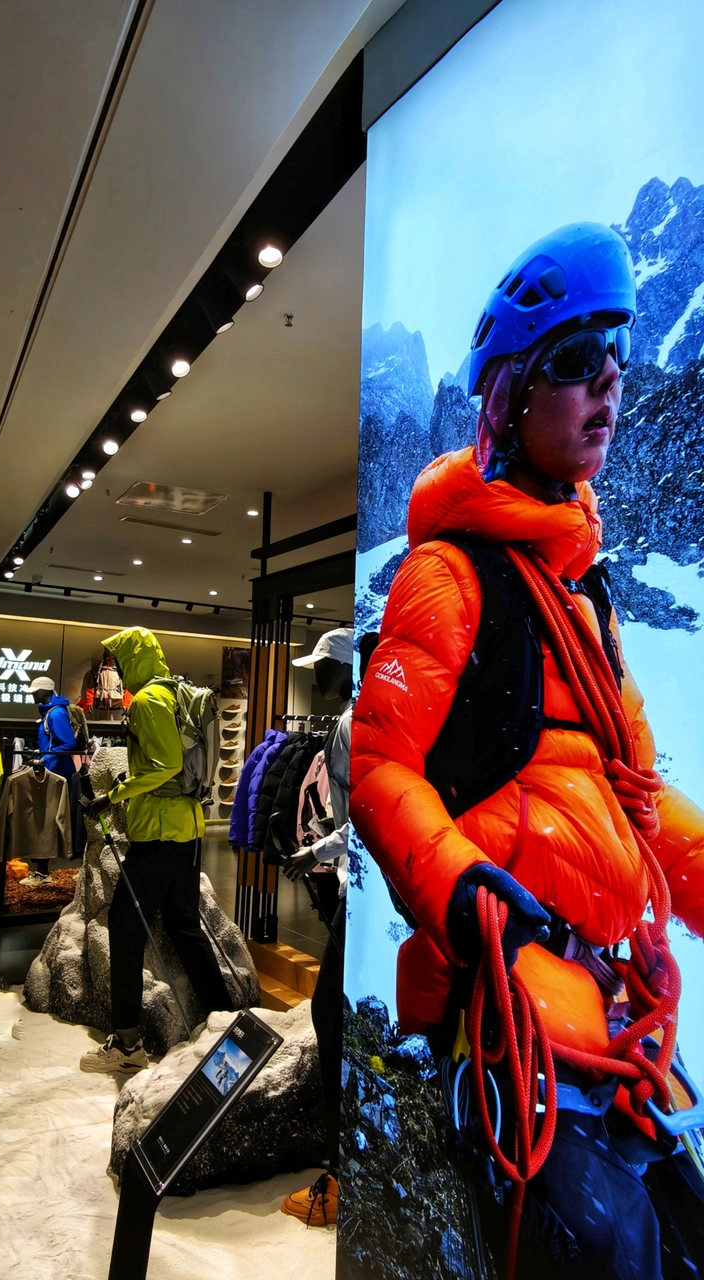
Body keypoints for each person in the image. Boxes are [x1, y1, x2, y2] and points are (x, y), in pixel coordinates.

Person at [350, 224, 704, 1278]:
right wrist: (460, 887)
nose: (608, 381)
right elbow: (378, 769)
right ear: (510, 395)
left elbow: (635, 797)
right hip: (506, 1000)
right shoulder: (446, 578)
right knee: (612, 1247)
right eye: (575, 359)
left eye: (616, 356)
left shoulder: (583, 598)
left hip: (605, 997)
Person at [79, 626, 233, 1074]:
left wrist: (114, 795)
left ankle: (127, 1045)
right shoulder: (175, 693)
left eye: (118, 660)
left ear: (133, 660)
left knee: (125, 924)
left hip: (159, 831)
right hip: (187, 828)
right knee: (184, 925)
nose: (115, 669)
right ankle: (227, 1021)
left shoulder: (147, 700)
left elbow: (165, 764)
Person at [280, 627, 353, 1226]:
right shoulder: (365, 719)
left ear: (345, 670)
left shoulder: (351, 726)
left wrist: (319, 851)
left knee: (330, 1015)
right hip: (377, 892)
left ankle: (339, 1171)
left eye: (323, 668)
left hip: (364, 896)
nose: (316, 678)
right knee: (340, 1015)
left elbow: (367, 818)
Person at [27, 675, 77, 780]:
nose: (33, 694)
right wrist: (40, 753)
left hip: (58, 774)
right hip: (52, 771)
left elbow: (69, 743)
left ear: (44, 691)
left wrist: (45, 759)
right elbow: (52, 742)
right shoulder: (50, 713)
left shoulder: (56, 714)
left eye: (36, 691)